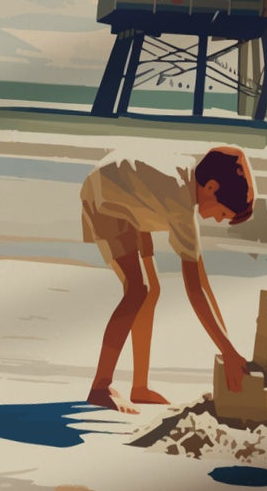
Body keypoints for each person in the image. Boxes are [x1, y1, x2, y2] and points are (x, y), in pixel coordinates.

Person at [81, 146, 256, 413]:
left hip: (130, 195)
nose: (218, 220)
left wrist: (228, 348)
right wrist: (228, 352)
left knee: (151, 291)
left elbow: (204, 282)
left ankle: (139, 388)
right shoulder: (181, 208)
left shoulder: (185, 178)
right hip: (106, 196)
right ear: (211, 187)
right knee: (137, 290)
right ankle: (100, 387)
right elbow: (195, 291)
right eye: (222, 213)